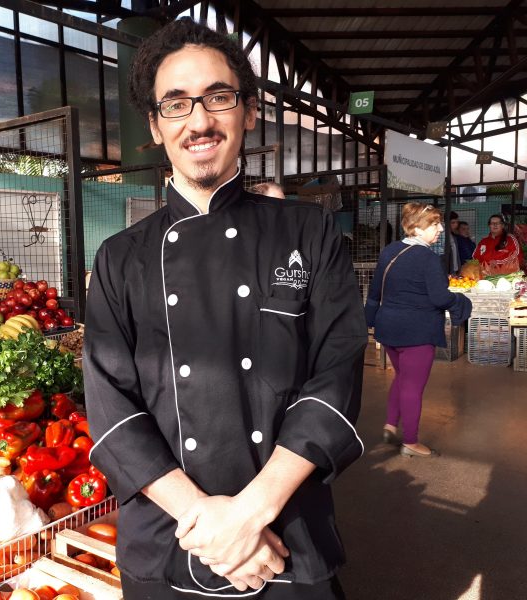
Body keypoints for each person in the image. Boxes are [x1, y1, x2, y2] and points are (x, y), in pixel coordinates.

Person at [83, 18, 368, 600]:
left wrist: (248, 515)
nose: (199, 121)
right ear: (157, 128)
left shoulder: (309, 232)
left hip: (286, 533)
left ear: (249, 111)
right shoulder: (119, 259)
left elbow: (336, 374)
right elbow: (112, 409)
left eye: (218, 97)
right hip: (171, 538)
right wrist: (209, 526)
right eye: (176, 104)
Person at [364, 203, 472, 458]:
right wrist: (461, 302)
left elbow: (374, 292)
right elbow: (439, 298)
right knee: (413, 386)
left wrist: (369, 321)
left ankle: (391, 425)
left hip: (388, 328)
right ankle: (410, 441)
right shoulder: (428, 259)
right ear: (416, 227)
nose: (440, 229)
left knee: (402, 378)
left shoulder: (390, 250)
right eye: (434, 224)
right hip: (417, 332)